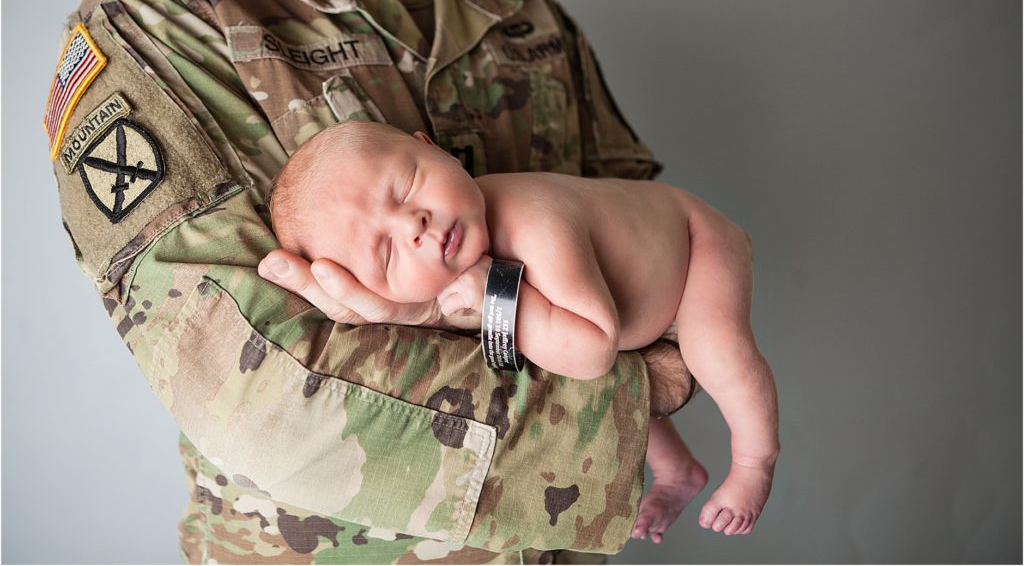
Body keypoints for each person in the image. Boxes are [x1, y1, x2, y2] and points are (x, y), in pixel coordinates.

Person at [45, 0, 707, 562]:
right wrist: (633, 388)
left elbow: (670, 266)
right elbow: (264, 408)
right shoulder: (162, 17)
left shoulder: (524, 12)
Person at [268, 121, 780, 542]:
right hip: (631, 301)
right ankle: (678, 471)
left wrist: (492, 289)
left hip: (694, 248)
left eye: (405, 187)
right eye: (387, 253)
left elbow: (593, 351)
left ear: (434, 148)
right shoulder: (459, 261)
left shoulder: (531, 222)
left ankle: (756, 460)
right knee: (595, 375)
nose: (413, 224)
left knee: (714, 348)